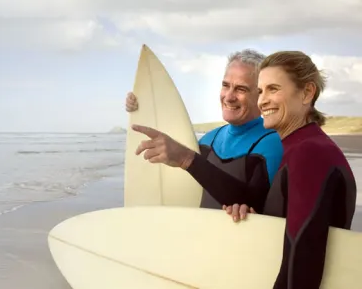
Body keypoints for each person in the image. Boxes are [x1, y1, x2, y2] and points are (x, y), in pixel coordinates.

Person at [126, 49, 285, 221]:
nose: (229, 97)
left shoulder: (274, 143)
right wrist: (141, 108)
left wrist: (186, 159)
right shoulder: (209, 139)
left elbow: (259, 204)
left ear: (261, 96)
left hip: (243, 238)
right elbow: (184, 185)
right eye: (225, 85)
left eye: (241, 89)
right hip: (202, 235)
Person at [253, 50, 357, 289]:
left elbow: (302, 257)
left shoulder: (309, 152)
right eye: (260, 91)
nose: (262, 101)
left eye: (273, 89)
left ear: (307, 92)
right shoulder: (302, 147)